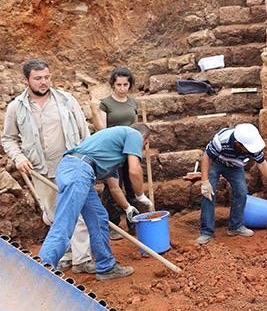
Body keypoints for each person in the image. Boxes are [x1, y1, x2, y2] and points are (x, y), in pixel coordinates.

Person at [1, 59, 95, 274]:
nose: (44, 82)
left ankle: (82, 259)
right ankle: (66, 254)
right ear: (26, 80)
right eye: (38, 78)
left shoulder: (66, 100)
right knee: (52, 214)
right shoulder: (17, 107)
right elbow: (8, 139)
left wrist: (86, 159)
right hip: (40, 170)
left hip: (71, 166)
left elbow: (84, 132)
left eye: (46, 77)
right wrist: (18, 158)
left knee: (76, 212)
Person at [38, 123, 154, 281]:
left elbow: (114, 188)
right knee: (64, 224)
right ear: (144, 138)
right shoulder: (133, 134)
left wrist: (128, 208)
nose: (142, 147)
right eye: (145, 144)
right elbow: (134, 170)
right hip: (78, 171)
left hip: (81, 173)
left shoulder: (110, 154)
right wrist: (140, 195)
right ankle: (41, 272)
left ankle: (106, 267)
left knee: (99, 217)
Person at [196, 123, 267, 245]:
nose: (250, 151)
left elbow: (262, 163)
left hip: (235, 166)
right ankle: (206, 232)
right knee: (208, 194)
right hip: (215, 163)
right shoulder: (222, 140)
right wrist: (205, 181)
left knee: (242, 192)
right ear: (238, 144)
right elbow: (206, 157)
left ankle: (235, 227)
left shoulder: (253, 145)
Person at [90, 67, 140, 240]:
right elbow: (101, 128)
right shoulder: (106, 103)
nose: (122, 88)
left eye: (126, 84)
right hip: (111, 152)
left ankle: (135, 222)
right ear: (113, 85)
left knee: (132, 186)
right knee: (112, 188)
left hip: (130, 151)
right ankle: (113, 225)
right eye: (118, 84)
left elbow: (136, 127)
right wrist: (94, 111)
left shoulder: (133, 103)